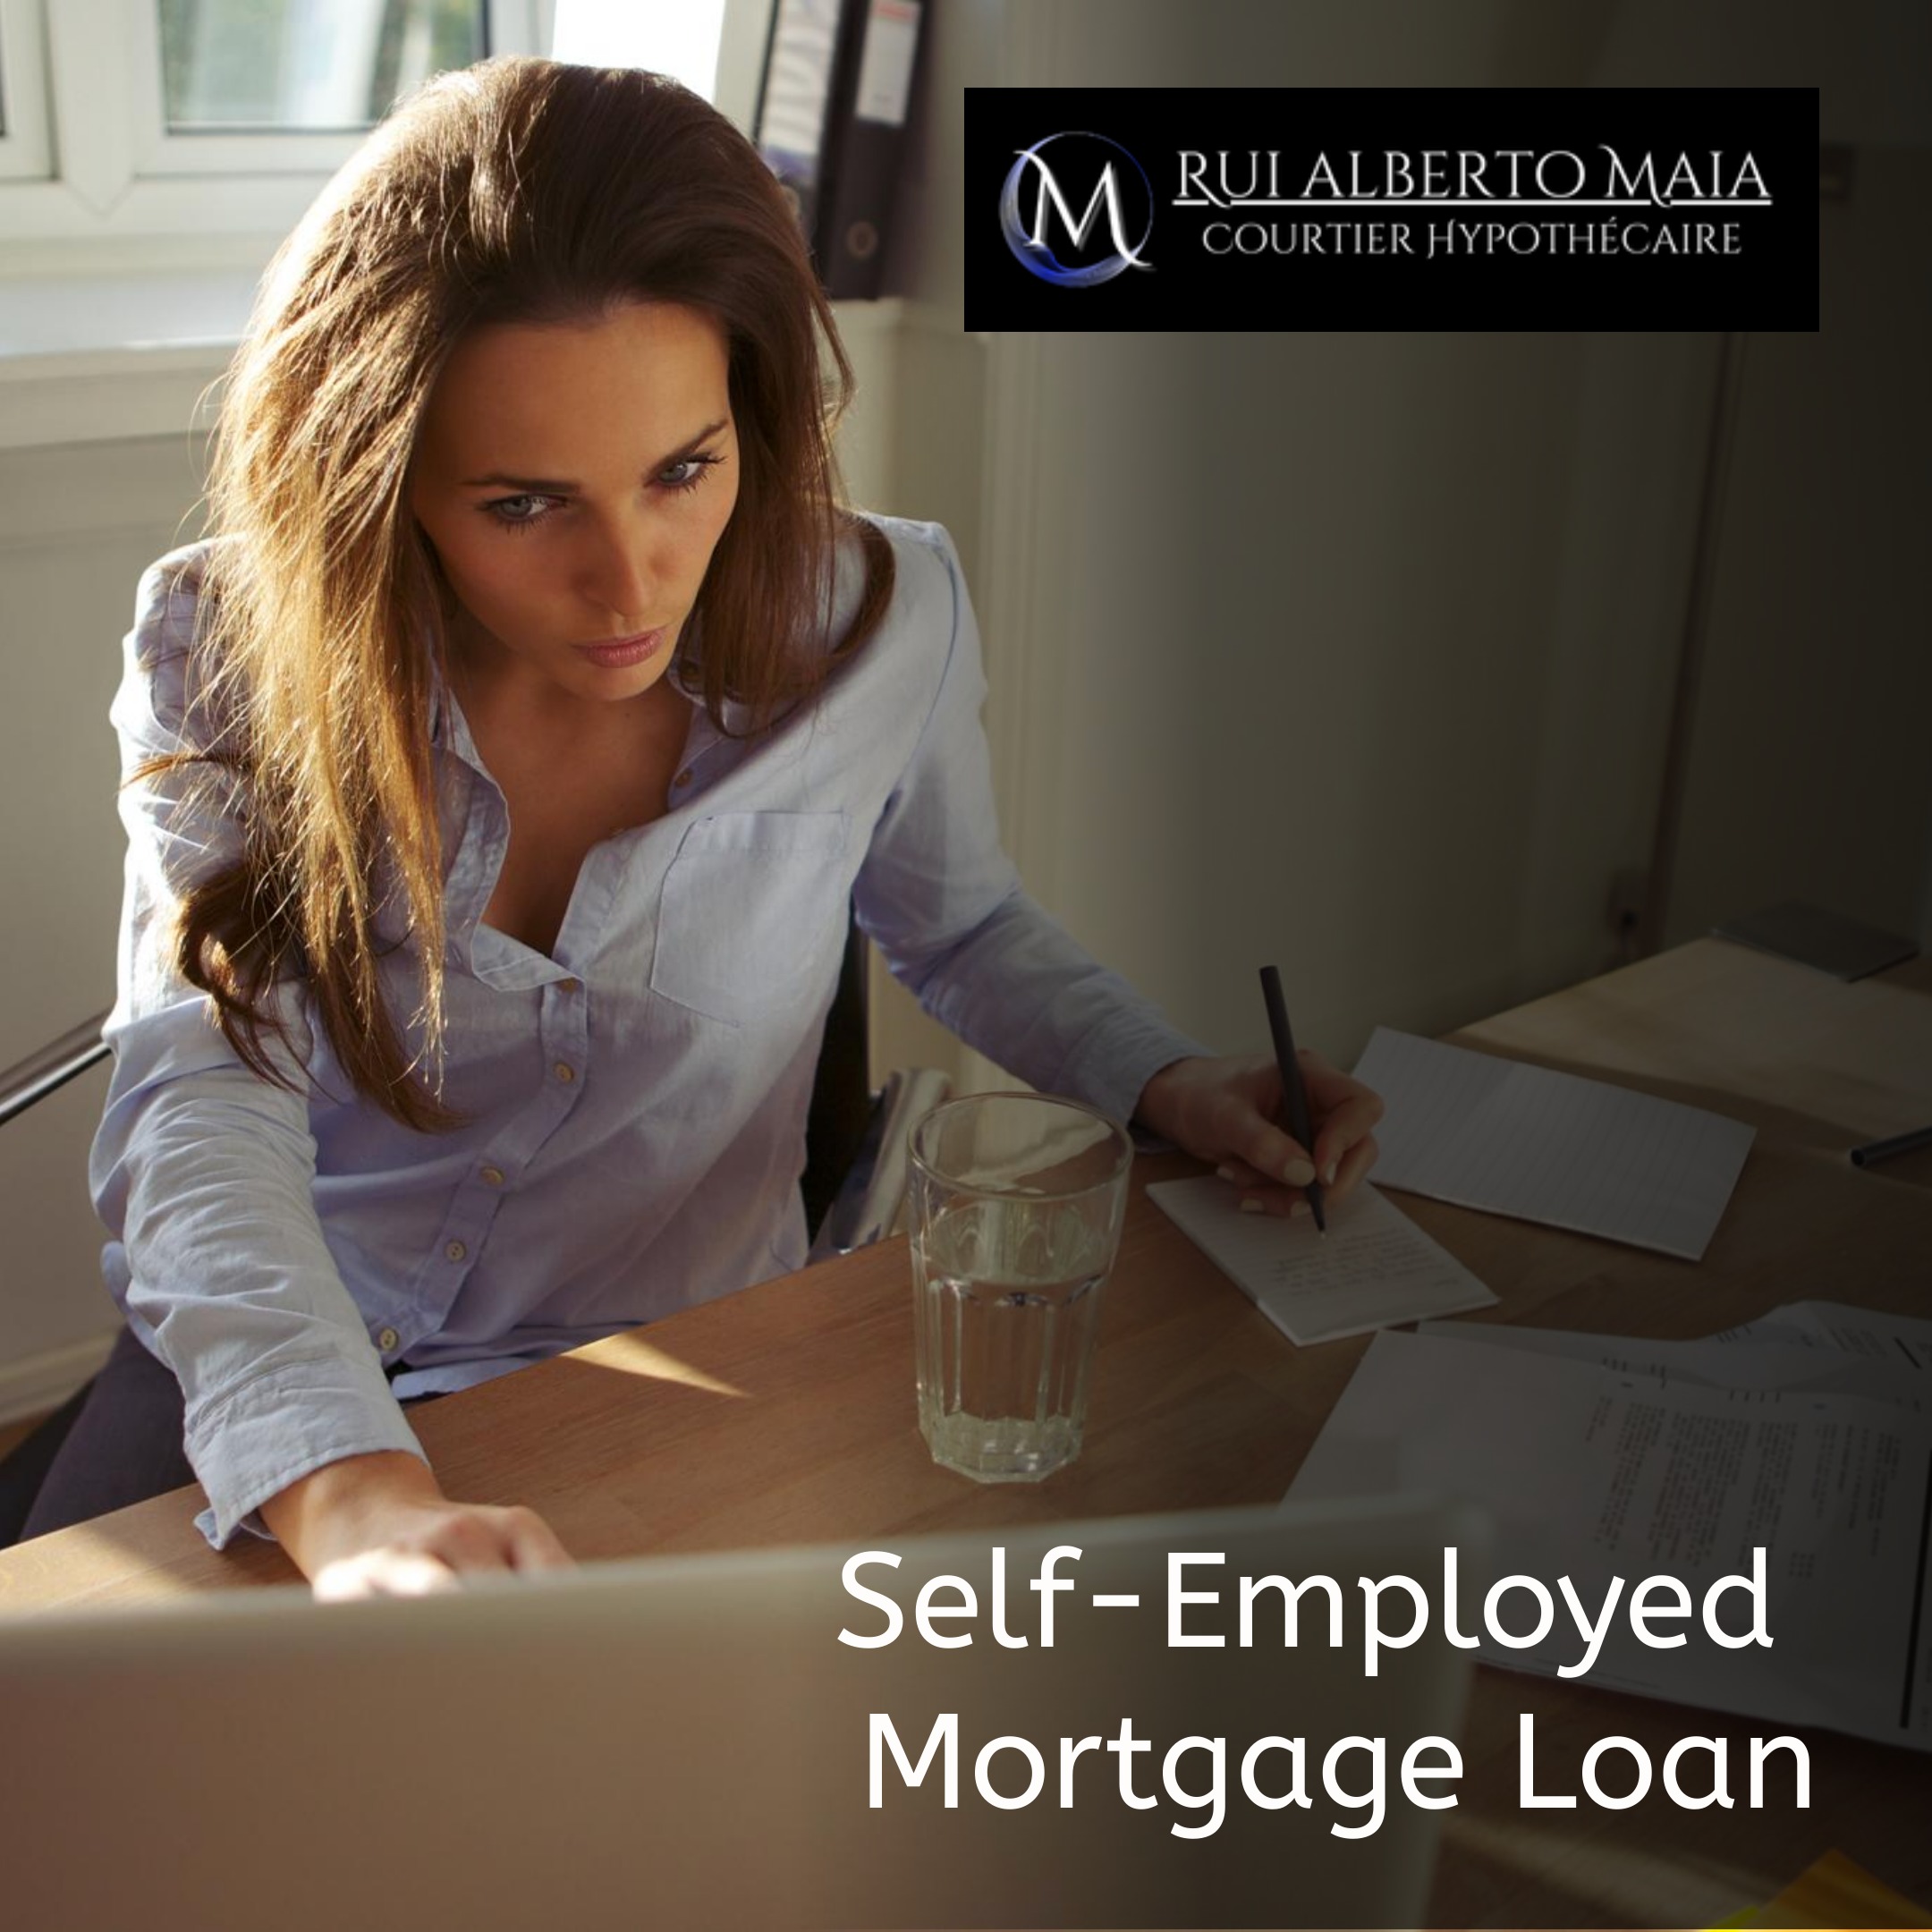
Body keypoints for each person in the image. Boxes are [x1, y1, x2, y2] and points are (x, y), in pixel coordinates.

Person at [9, 58, 1381, 1593]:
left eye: (682, 471)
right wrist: (350, 1491)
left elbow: (966, 927)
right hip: (282, 1366)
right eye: (527, 504)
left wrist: (1172, 1082)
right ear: (381, 492)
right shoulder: (225, 642)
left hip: (675, 1373)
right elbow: (203, 1095)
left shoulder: (884, 621)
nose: (633, 582)